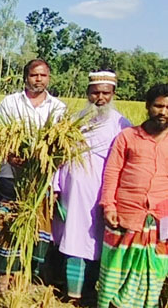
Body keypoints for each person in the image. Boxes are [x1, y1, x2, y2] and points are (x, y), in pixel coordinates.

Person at [0, 58, 66, 289]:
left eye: (43, 75)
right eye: (33, 75)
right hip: (11, 172)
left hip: (40, 178)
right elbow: (0, 135)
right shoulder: (10, 103)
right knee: (7, 220)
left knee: (34, 223)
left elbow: (58, 145)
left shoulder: (58, 108)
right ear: (25, 77)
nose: (38, 79)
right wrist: (11, 155)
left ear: (49, 77)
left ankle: (25, 272)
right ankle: (3, 271)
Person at [51, 71, 130, 303]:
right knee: (73, 237)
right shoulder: (75, 121)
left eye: (106, 93)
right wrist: (56, 185)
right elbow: (58, 155)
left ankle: (90, 290)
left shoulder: (122, 124)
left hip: (102, 191)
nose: (100, 98)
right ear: (88, 93)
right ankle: (71, 290)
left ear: (113, 94)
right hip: (73, 191)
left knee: (97, 241)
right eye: (95, 92)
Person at [96, 83, 168, 308]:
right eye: (158, 106)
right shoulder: (127, 137)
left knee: (153, 271)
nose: (163, 112)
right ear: (147, 106)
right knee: (117, 270)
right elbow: (112, 172)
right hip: (125, 215)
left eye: (167, 107)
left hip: (160, 219)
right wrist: (109, 206)